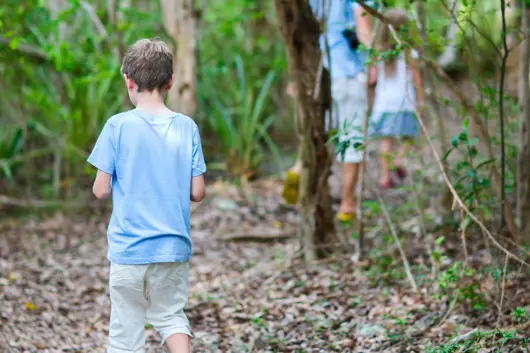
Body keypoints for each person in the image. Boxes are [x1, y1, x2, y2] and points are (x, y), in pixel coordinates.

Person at [87, 38, 206, 353]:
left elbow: (100, 190)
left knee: (126, 335)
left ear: (128, 81)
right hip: (172, 248)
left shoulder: (117, 126)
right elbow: (198, 192)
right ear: (170, 82)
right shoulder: (187, 127)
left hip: (129, 250)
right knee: (170, 317)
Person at [282, 0, 376, 223]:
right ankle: (347, 203)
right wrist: (374, 63)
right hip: (349, 72)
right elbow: (362, 25)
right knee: (352, 135)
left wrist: (296, 75)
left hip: (317, 70)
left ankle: (299, 168)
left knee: (318, 129)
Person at [369, 8, 424, 189]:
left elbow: (373, 78)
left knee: (387, 140)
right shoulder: (408, 52)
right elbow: (416, 77)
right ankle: (399, 159)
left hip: (384, 102)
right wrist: (421, 99)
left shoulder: (378, 52)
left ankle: (385, 177)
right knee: (409, 135)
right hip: (405, 101)